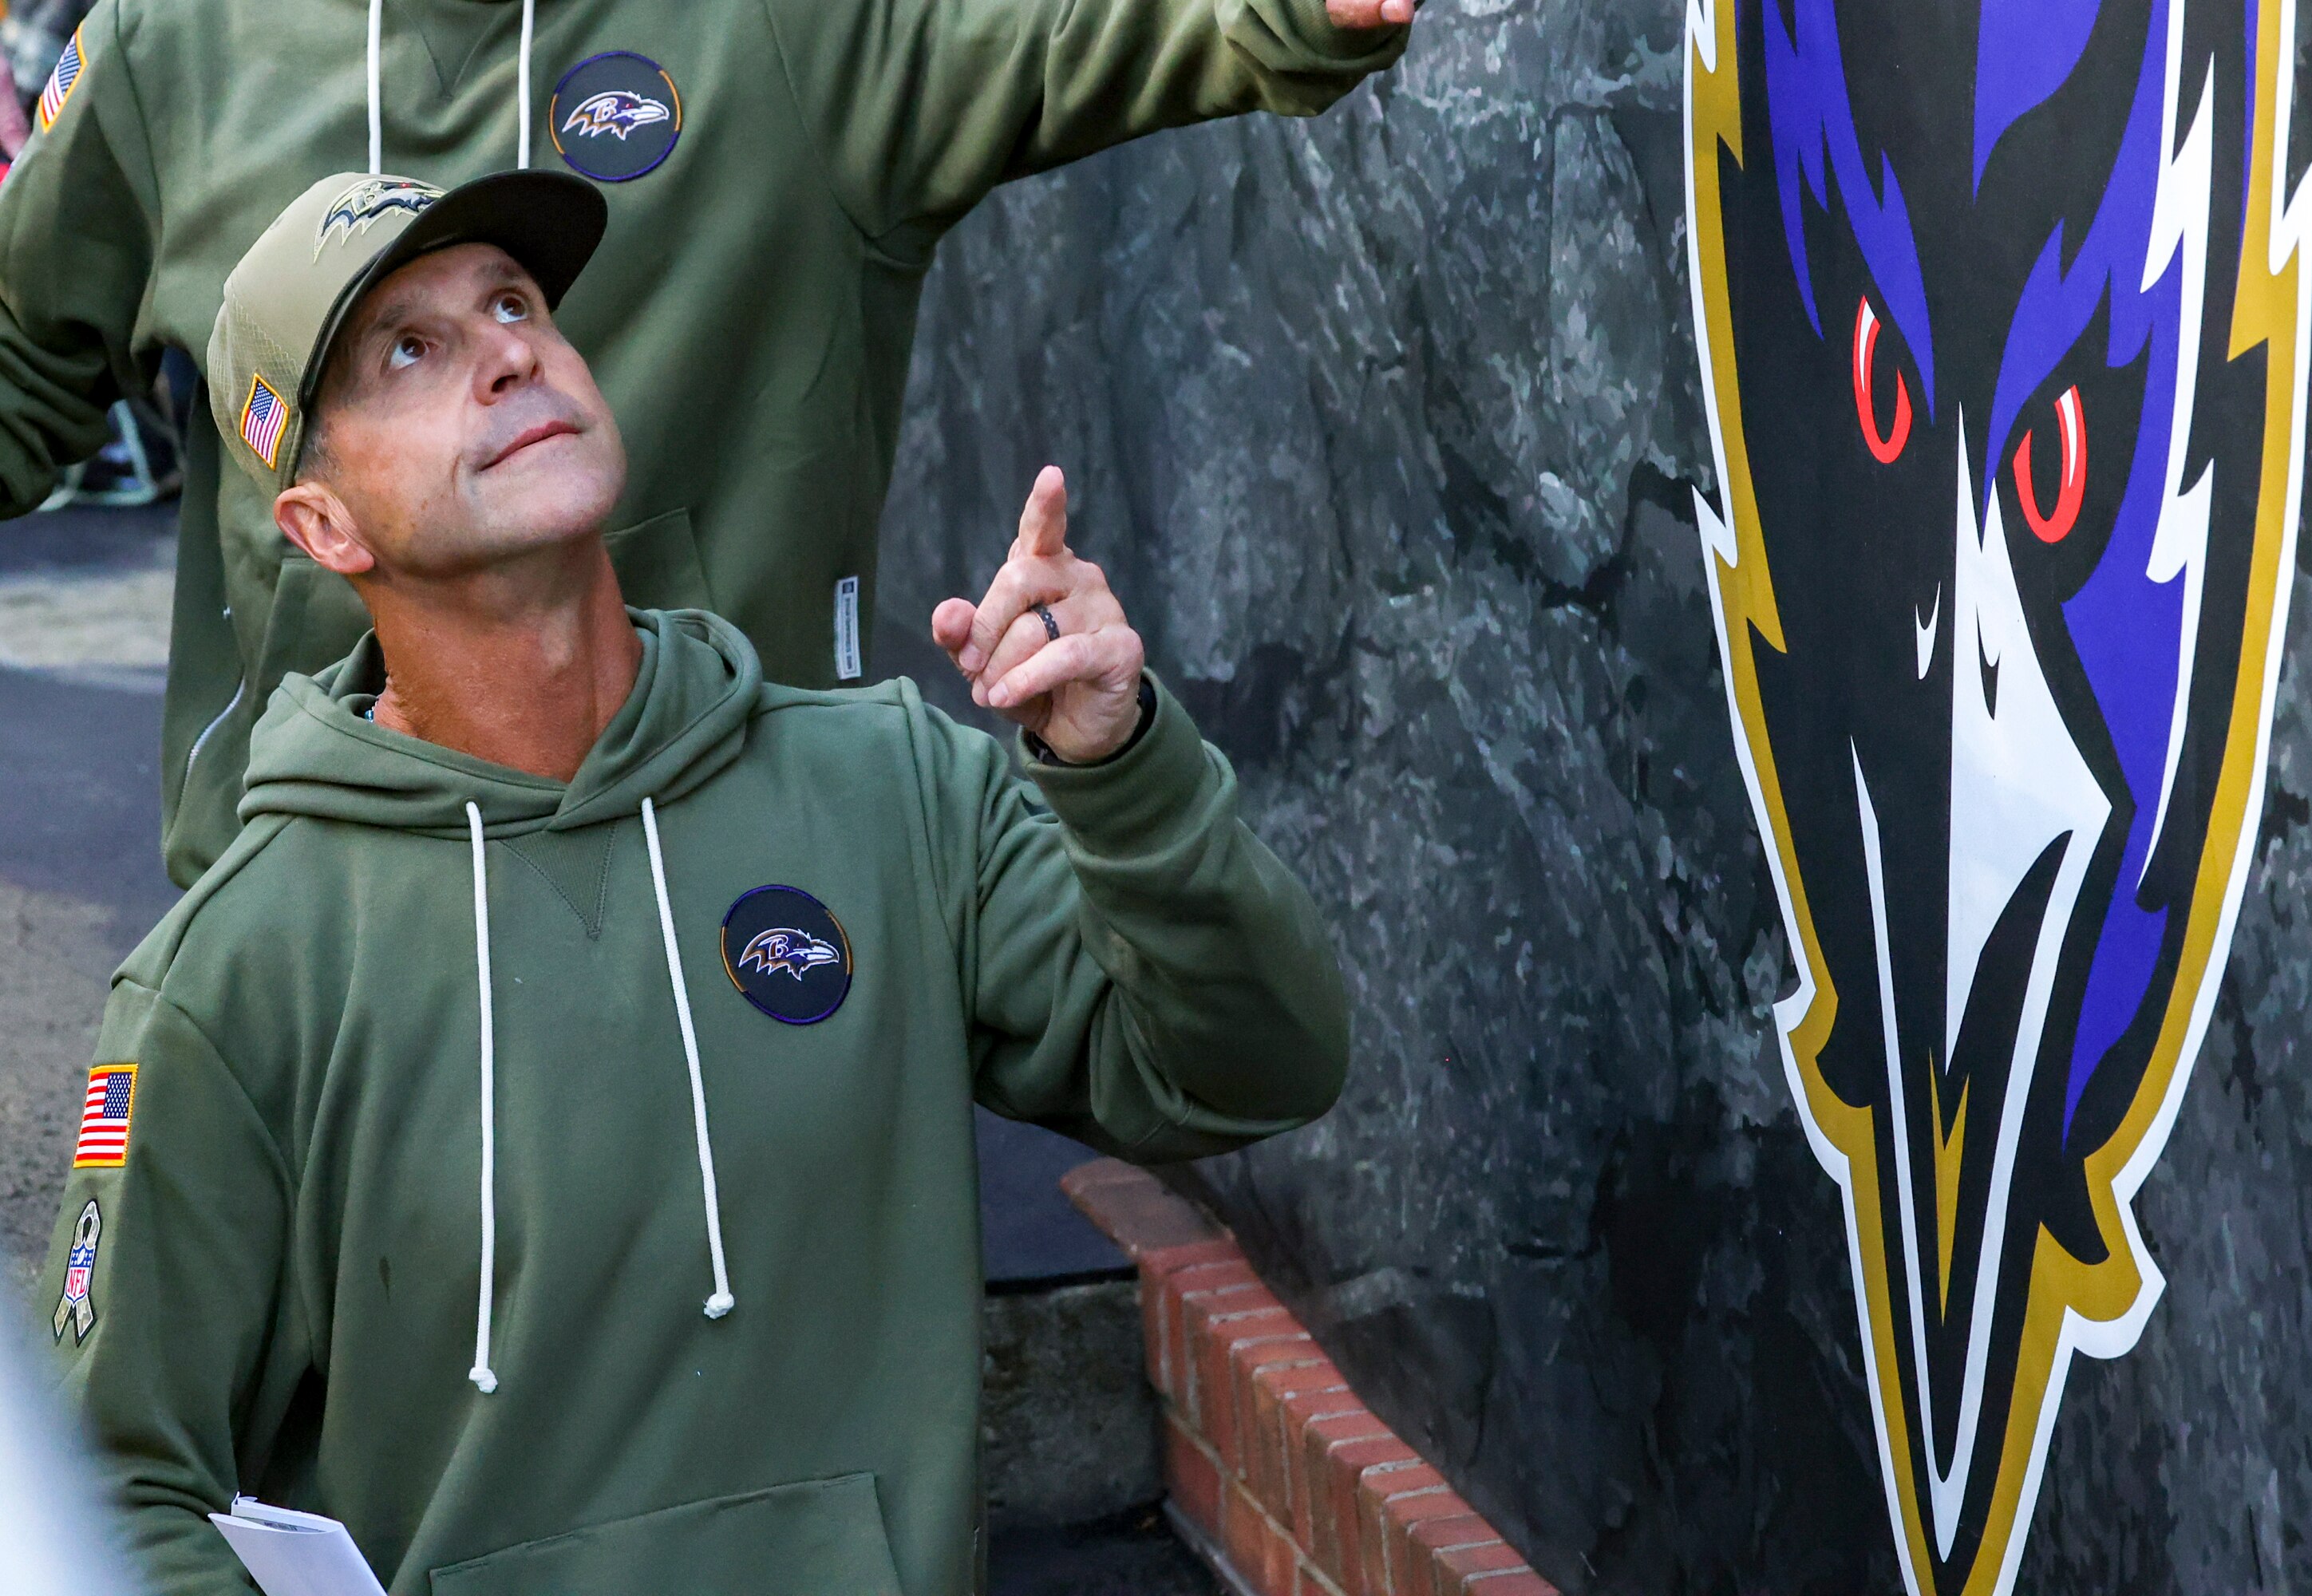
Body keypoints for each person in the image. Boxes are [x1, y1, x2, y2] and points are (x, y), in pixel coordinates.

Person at [38, 168, 1347, 1594]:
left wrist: (1119, 763)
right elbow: (115, 1496)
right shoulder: (230, 978)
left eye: (516, 303)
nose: (508, 353)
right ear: (324, 529)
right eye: (408, 350)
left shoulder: (892, 788)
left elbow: (1255, 1068)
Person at [0, 0, 1415, 889]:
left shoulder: (791, 27)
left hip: (750, 906)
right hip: (304, 897)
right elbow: (22, 359)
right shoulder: (165, 44)